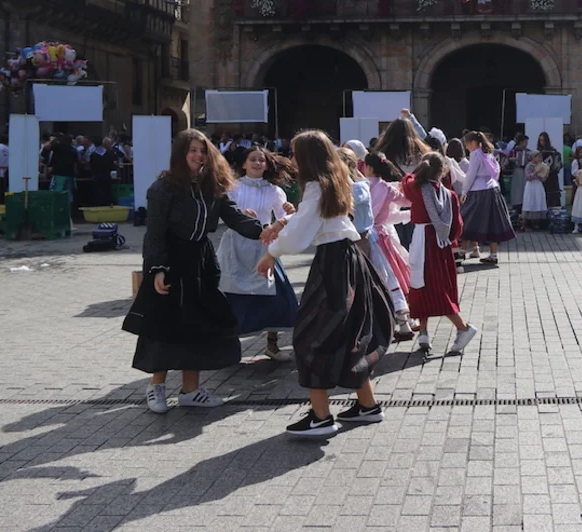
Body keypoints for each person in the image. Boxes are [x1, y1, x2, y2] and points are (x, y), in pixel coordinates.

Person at [257, 130, 393, 436]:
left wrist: (271, 253)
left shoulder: (316, 186)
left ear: (307, 157)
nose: (292, 158)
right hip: (348, 258)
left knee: (311, 338)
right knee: (349, 334)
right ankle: (368, 406)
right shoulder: (335, 180)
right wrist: (282, 223)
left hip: (333, 263)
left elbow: (302, 231)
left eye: (295, 153)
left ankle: (320, 418)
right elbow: (315, 218)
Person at [123, 129, 265, 414]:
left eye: (202, 150)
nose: (199, 155)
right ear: (181, 153)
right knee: (165, 324)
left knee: (199, 325)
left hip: (201, 261)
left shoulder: (213, 185)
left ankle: (191, 390)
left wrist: (267, 231)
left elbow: (235, 218)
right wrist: (157, 269)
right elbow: (155, 233)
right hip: (171, 261)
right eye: (193, 150)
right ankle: (156, 387)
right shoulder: (163, 187)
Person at [216, 146, 298, 363]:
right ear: (244, 164)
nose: (257, 163)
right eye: (252, 159)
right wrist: (240, 215)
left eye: (261, 160)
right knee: (232, 297)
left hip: (263, 246)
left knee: (276, 296)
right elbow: (223, 215)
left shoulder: (274, 191)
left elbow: (284, 219)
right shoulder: (232, 187)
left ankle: (272, 344)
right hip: (235, 248)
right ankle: (228, 347)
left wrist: (289, 212)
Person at [401, 152, 479, 354]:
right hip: (441, 245)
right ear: (443, 171)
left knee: (424, 287)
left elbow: (405, 180)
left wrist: (417, 170)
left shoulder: (416, 188)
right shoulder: (449, 195)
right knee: (436, 287)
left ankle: (463, 327)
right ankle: (424, 334)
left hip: (422, 242)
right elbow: (457, 227)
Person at [364, 152, 415, 342]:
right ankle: (404, 323)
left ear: (369, 167)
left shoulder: (359, 186)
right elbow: (407, 201)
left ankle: (380, 325)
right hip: (382, 235)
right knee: (392, 277)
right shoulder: (386, 188)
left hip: (365, 237)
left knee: (378, 278)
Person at [460, 131, 516, 266]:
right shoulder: (488, 153)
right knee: (493, 221)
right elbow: (497, 170)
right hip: (493, 189)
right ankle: (493, 254)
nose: (466, 147)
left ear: (473, 143)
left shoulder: (475, 154)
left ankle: (461, 253)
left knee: (467, 220)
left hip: (478, 191)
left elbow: (471, 175)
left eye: (467, 144)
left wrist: (464, 191)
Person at [46, 134, 79, 210]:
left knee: (56, 193)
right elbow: (75, 164)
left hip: (59, 174)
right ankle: (68, 211)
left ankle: (56, 210)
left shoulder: (58, 147)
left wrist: (54, 139)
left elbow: (46, 146)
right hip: (70, 175)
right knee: (68, 194)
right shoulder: (74, 150)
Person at [89, 137, 123, 207]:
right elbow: (112, 164)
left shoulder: (94, 153)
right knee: (108, 191)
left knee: (97, 192)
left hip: (97, 175)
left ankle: (97, 205)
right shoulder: (109, 153)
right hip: (106, 174)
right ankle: (109, 204)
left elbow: (91, 165)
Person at [521, 151, 548, 231]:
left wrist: (543, 175)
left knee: (538, 201)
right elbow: (528, 177)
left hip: (538, 185)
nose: (539, 158)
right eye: (537, 157)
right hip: (531, 186)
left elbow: (544, 178)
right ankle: (525, 223)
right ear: (533, 157)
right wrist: (535, 172)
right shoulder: (529, 166)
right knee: (530, 202)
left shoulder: (541, 165)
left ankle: (536, 223)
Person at [507, 134, 531, 212]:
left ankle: (525, 203)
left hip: (526, 170)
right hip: (517, 169)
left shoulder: (528, 151)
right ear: (521, 142)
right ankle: (516, 204)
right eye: (525, 142)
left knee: (524, 186)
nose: (526, 143)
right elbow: (508, 159)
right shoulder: (514, 150)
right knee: (516, 187)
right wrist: (512, 159)